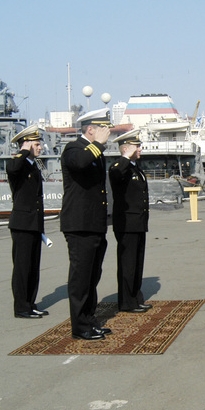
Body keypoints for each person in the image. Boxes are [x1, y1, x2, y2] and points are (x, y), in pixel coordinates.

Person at [61, 108, 113, 341]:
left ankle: (90, 320)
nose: (107, 133)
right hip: (79, 224)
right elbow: (80, 163)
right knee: (81, 278)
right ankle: (80, 327)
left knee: (93, 276)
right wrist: (98, 145)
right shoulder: (74, 149)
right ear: (90, 129)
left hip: (94, 224)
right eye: (103, 128)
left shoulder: (94, 152)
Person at [7, 124, 48, 319]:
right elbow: (13, 168)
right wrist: (24, 149)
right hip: (22, 224)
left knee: (33, 267)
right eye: (37, 144)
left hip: (33, 224)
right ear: (27, 145)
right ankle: (21, 307)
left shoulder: (33, 167)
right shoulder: (18, 164)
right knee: (22, 268)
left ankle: (31, 303)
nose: (40, 148)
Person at [109, 129, 152, 313]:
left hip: (138, 223)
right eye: (137, 146)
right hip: (126, 223)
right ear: (126, 149)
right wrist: (125, 156)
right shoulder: (119, 167)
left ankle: (136, 298)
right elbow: (116, 174)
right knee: (127, 264)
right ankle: (127, 302)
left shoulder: (135, 168)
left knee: (137, 263)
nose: (140, 149)